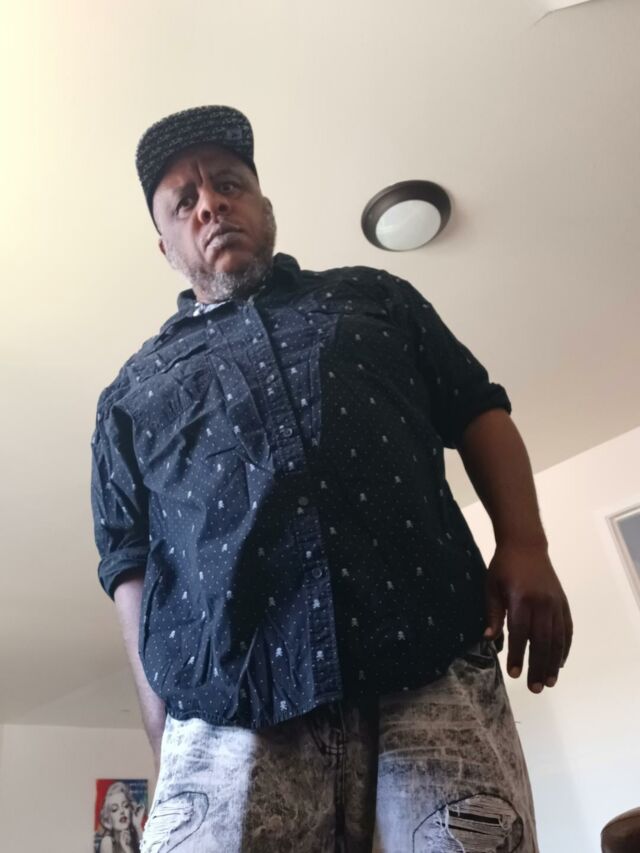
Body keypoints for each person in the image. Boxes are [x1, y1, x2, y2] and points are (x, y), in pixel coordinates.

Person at [91, 105, 573, 852]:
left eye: (229, 183)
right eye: (184, 202)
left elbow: (476, 405)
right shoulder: (129, 394)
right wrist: (165, 737)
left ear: (264, 205)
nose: (211, 204)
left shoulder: (377, 297)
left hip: (429, 661)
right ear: (165, 246)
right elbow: (130, 565)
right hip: (227, 711)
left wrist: (526, 545)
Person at [95, 781, 144, 853]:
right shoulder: (107, 842)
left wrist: (137, 826)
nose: (122, 811)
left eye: (126, 806)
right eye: (115, 809)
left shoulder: (135, 837)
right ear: (107, 821)